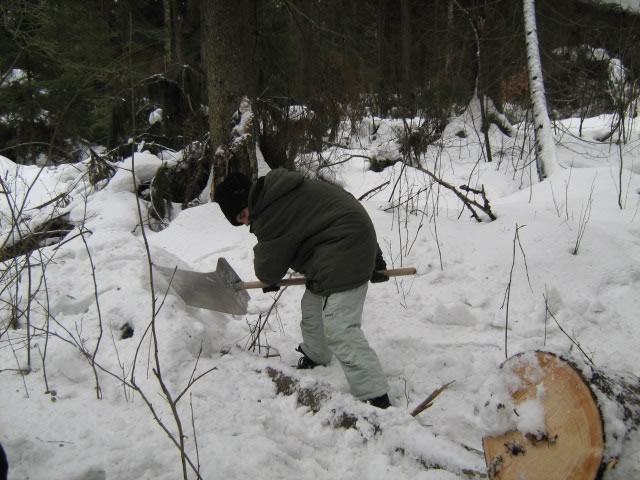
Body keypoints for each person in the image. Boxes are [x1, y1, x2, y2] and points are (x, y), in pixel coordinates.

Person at [214, 168, 391, 408]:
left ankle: (374, 396)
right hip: (339, 247)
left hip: (345, 249)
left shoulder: (270, 213)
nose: (247, 221)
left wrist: (369, 257)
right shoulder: (287, 190)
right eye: (240, 220)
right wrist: (373, 254)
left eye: (244, 213)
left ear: (248, 199)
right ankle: (316, 355)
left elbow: (268, 270)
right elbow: (345, 204)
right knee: (312, 305)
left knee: (339, 327)